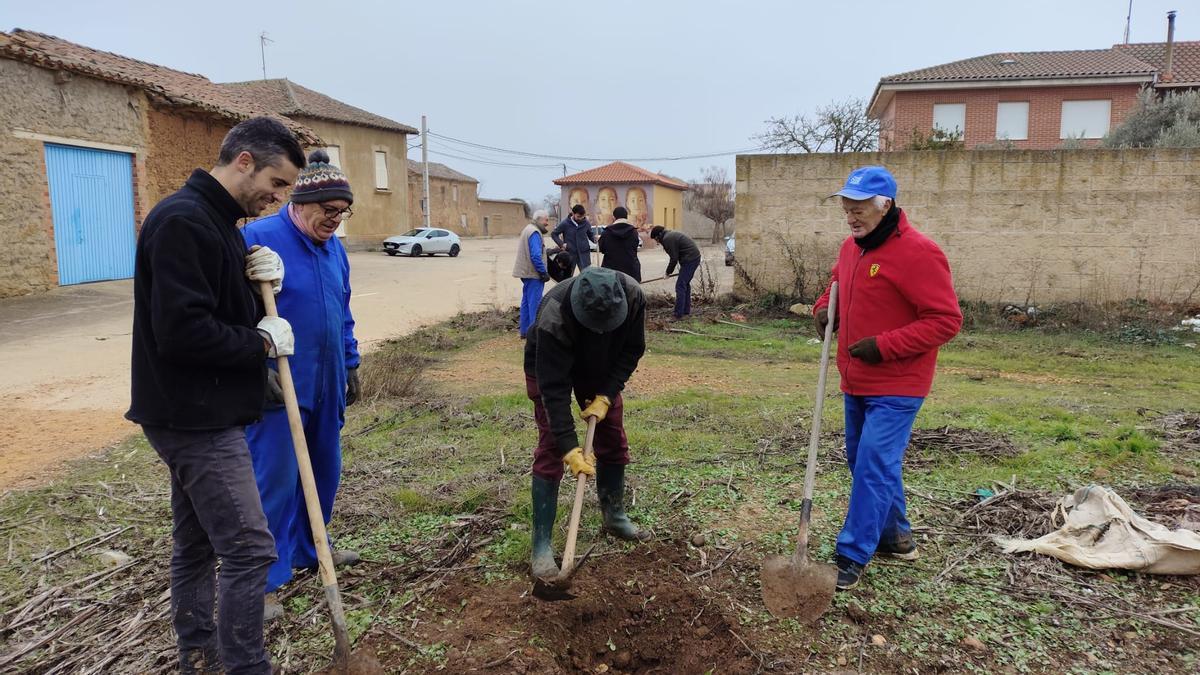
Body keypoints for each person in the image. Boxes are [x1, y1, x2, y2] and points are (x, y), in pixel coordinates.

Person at [126, 116, 304, 675]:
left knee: (199, 542)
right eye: (276, 184)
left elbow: (217, 313)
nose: (277, 199)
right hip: (194, 416)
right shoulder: (184, 221)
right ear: (244, 161)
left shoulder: (220, 222)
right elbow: (181, 333)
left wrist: (257, 295)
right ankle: (245, 667)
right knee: (250, 549)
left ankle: (199, 655)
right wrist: (258, 341)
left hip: (201, 408)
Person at [812, 166, 962, 590]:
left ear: (886, 205)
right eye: (846, 208)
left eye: (858, 208)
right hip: (854, 378)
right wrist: (824, 309)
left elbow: (946, 321)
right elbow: (838, 284)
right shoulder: (851, 248)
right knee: (863, 461)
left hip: (899, 383)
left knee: (874, 464)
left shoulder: (919, 252)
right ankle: (897, 538)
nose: (851, 217)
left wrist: (885, 345)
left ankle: (852, 553)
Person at [240, 149, 362, 621]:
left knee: (324, 471)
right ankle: (263, 581)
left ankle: (313, 550)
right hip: (279, 383)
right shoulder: (258, 239)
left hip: (326, 380)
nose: (334, 220)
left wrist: (350, 363)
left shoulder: (335, 248)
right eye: (327, 211)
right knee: (273, 481)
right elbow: (233, 312)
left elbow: (343, 310)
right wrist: (255, 366)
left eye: (342, 213)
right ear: (299, 202)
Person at [525, 267, 649, 580]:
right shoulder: (555, 314)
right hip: (548, 365)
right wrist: (569, 447)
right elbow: (552, 389)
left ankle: (614, 515)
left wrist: (606, 395)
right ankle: (541, 545)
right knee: (551, 446)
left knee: (611, 435)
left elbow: (633, 349)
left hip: (600, 371)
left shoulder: (633, 296)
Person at [649, 226, 702, 319]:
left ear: (658, 236)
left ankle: (678, 314)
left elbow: (674, 259)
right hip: (692, 257)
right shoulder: (669, 235)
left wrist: (667, 273)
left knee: (680, 285)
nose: (657, 242)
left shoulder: (667, 239)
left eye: (656, 239)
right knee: (685, 284)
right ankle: (685, 310)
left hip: (691, 259)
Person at [514, 209, 552, 338]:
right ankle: (534, 334)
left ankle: (525, 331)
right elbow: (536, 256)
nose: (547, 223)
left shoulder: (528, 229)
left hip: (526, 273)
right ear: (539, 219)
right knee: (535, 304)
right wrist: (543, 272)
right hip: (533, 273)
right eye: (546, 220)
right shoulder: (535, 232)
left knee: (526, 302)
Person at [599, 206, 641, 281]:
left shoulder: (606, 232)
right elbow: (635, 248)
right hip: (631, 271)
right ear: (626, 217)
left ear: (614, 217)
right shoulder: (634, 232)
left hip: (611, 271)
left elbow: (602, 249)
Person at [551, 204, 596, 274]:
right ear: (573, 214)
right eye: (578, 216)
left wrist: (596, 240)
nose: (581, 218)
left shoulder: (586, 223)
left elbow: (590, 235)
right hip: (570, 254)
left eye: (582, 216)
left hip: (584, 254)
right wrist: (561, 244)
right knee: (568, 275)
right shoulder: (565, 223)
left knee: (586, 275)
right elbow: (554, 234)